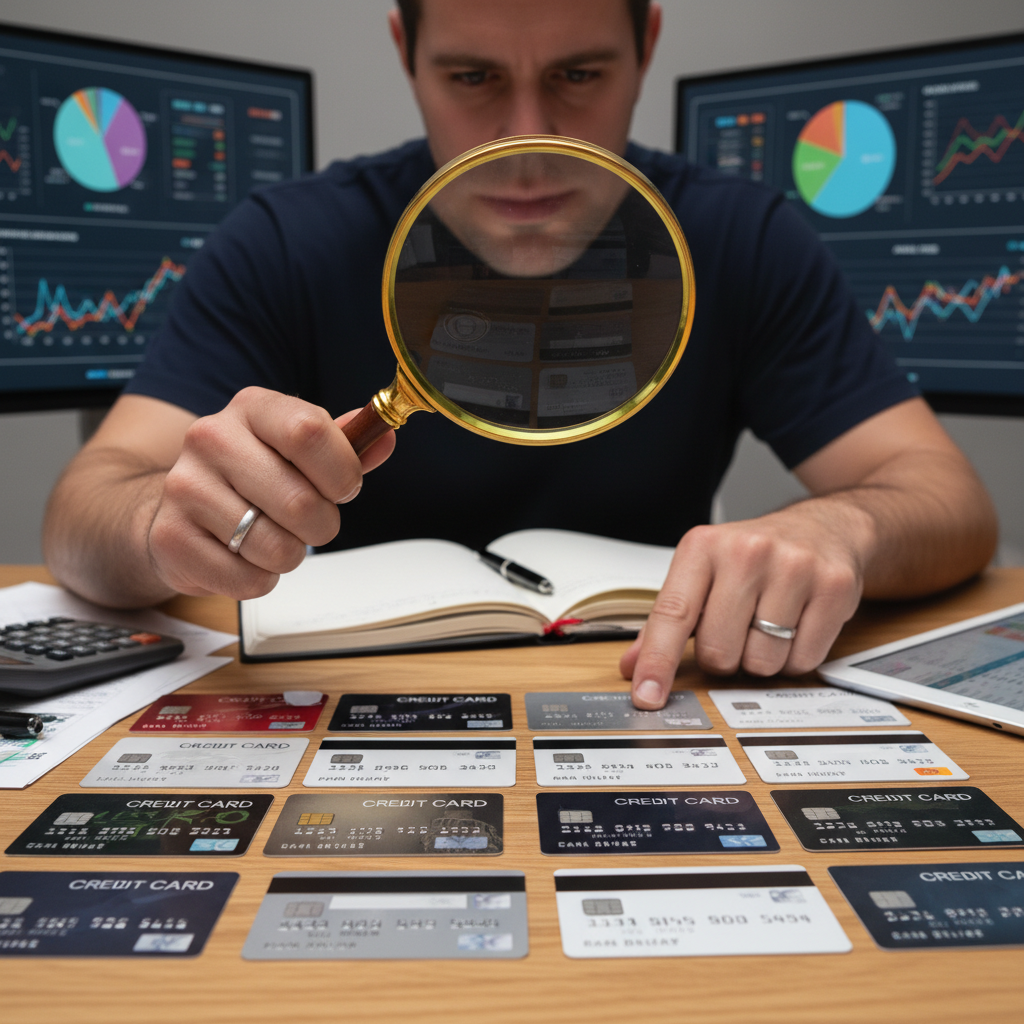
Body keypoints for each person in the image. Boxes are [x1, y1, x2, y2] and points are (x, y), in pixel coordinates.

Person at [43, 0, 997, 712]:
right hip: (337, 720)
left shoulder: (741, 240)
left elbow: (946, 500)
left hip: (646, 704)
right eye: (473, 79)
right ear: (404, 52)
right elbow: (83, 513)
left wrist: (844, 529)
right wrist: (159, 522)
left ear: (648, 44)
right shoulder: (286, 242)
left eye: (579, 77)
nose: (528, 144)